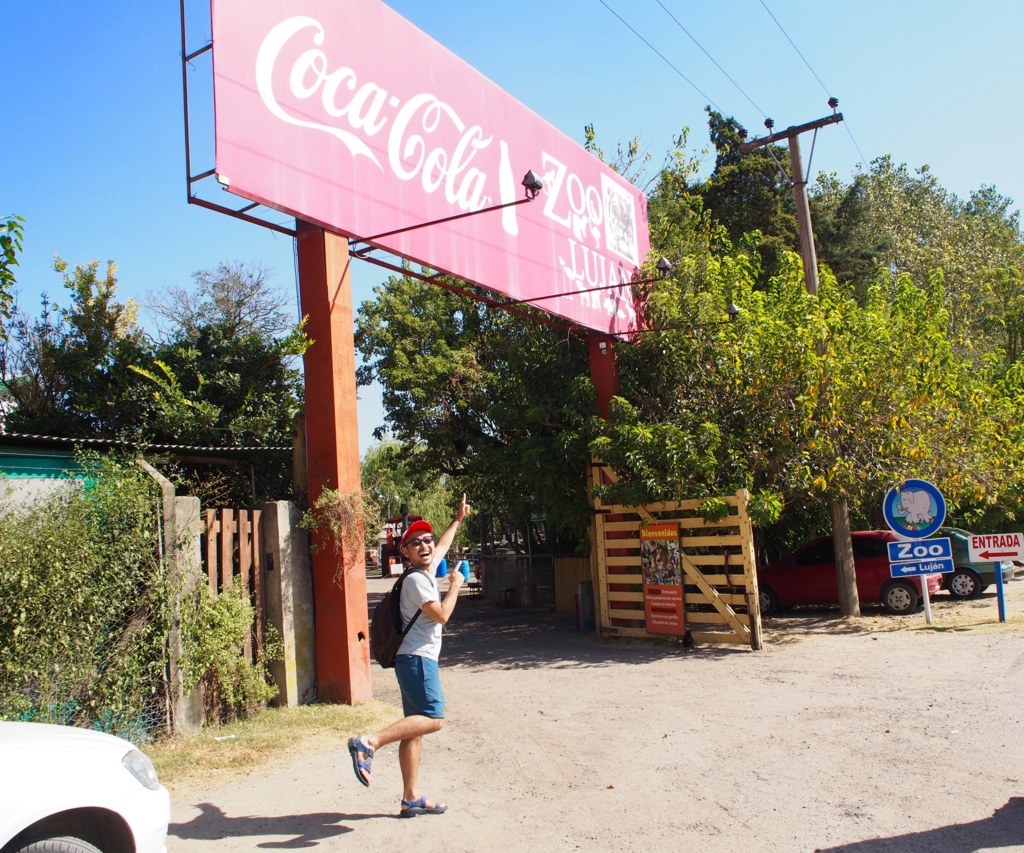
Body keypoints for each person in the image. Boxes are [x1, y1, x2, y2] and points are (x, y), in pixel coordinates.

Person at [348, 494, 471, 817]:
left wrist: (457, 519)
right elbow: (442, 614)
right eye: (416, 543)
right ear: (405, 552)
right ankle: (369, 742)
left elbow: (442, 547)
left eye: (427, 540)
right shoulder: (417, 581)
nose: (426, 546)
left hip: (411, 658)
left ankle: (411, 796)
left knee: (414, 729)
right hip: (417, 658)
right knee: (434, 719)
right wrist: (456, 584)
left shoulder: (424, 570)